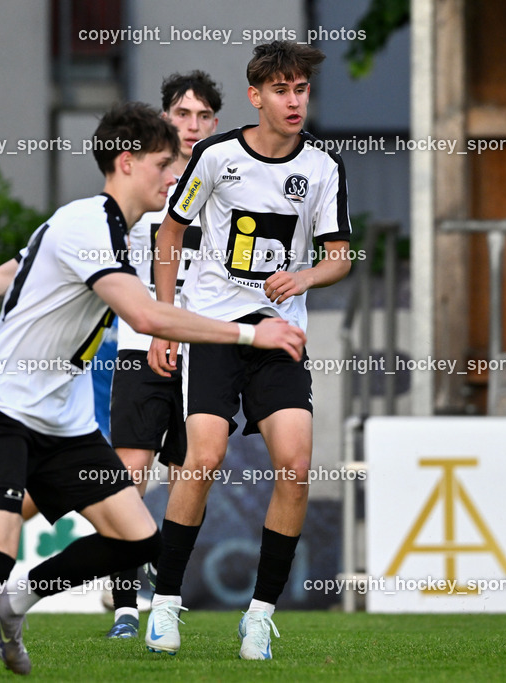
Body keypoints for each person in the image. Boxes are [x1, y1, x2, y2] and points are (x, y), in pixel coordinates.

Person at [0, 101, 305, 683]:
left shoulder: (111, 230)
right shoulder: (86, 224)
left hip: (62, 419)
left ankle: (11, 604)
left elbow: (1, 279)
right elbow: (146, 316)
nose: (173, 177)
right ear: (126, 162)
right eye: (163, 165)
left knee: (137, 540)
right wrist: (252, 332)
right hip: (3, 407)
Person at [143, 41, 352, 660]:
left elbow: (340, 257)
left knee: (296, 466)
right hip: (214, 328)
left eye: (301, 89)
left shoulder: (324, 167)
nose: (294, 101)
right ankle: (165, 603)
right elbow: (171, 233)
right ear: (256, 96)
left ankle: (259, 616)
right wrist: (163, 324)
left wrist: (305, 277)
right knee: (203, 458)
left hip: (279, 334)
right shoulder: (217, 156)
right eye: (281, 90)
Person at [103, 70, 223, 639]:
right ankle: (125, 606)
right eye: (182, 114)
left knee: (189, 476)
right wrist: (152, 326)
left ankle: (164, 593)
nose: (192, 125)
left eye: (203, 116)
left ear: (216, 123)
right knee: (130, 472)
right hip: (139, 344)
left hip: (201, 351)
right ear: (165, 118)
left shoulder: (226, 182)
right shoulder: (145, 181)